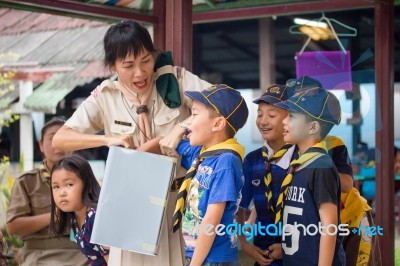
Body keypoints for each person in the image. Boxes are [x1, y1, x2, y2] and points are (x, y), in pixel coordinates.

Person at [52, 20, 211, 265]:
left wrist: (181, 127)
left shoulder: (176, 79)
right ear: (112, 65)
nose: (140, 73)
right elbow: (61, 139)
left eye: (146, 60)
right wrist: (107, 138)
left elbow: (226, 104)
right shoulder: (105, 96)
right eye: (128, 65)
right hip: (128, 205)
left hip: (172, 204)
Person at [274, 87, 345, 265]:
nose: (284, 121)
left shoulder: (321, 166)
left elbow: (329, 226)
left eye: (291, 117)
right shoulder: (299, 163)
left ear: (313, 127)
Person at [6, 117, 86, 266]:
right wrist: (55, 216)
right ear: (41, 145)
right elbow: (13, 226)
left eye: (65, 138)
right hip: (41, 255)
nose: (59, 144)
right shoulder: (27, 182)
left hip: (82, 254)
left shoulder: (87, 180)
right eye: (53, 138)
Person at [49, 154, 109, 265]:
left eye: (69, 184)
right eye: (56, 187)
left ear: (89, 185)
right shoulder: (74, 216)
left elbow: (113, 261)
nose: (62, 193)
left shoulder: (95, 218)